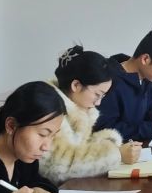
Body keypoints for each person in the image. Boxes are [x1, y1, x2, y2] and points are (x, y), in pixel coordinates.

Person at [44, 47, 146, 181]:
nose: (98, 103)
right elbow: (59, 166)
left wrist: (111, 144)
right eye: (97, 94)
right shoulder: (50, 110)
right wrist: (117, 154)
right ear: (76, 85)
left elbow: (81, 147)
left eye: (103, 96)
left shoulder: (79, 108)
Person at [98, 27, 152, 144]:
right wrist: (151, 128)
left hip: (140, 144)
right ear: (145, 59)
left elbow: (150, 105)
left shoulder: (145, 77)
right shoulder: (109, 83)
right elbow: (106, 130)